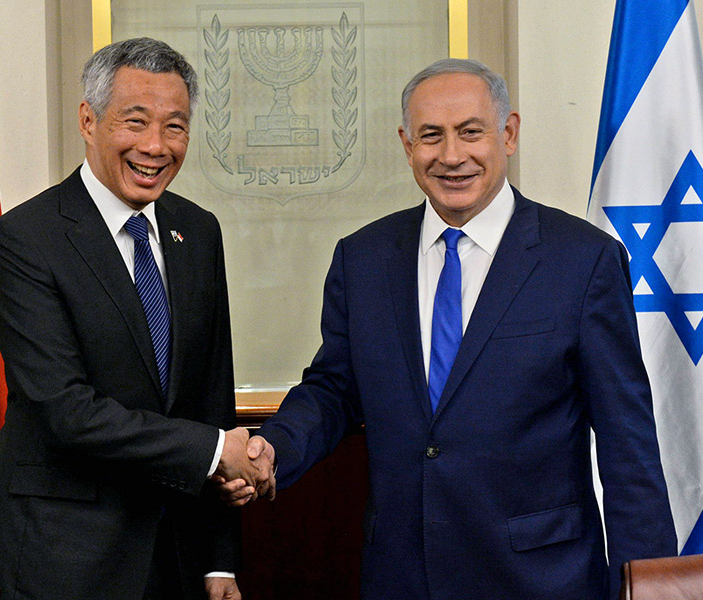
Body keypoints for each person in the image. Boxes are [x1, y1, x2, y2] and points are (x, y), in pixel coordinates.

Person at [218, 59, 677, 599]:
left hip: (541, 578)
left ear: (508, 135)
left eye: (470, 132)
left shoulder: (583, 259)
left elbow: (628, 440)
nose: (452, 155)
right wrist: (272, 449)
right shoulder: (362, 259)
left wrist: (650, 583)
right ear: (406, 144)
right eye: (431, 135)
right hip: (403, 572)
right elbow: (335, 390)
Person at [0, 38, 271, 600]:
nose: (156, 147)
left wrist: (219, 561)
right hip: (65, 557)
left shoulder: (198, 231)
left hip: (179, 557)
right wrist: (215, 450)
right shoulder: (23, 241)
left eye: (175, 127)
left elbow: (210, 398)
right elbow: (67, 412)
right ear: (88, 120)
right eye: (134, 122)